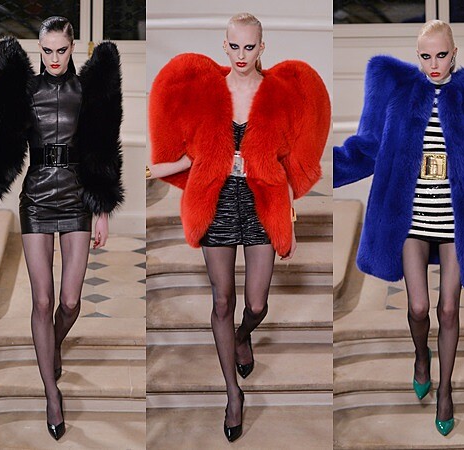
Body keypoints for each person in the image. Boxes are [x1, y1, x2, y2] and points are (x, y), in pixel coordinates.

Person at [148, 13, 330, 442]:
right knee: (221, 300)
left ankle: (243, 336)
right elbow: (192, 154)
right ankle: (233, 394)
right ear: (224, 45)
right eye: (235, 46)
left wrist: (289, 220)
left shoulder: (278, 93)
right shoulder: (208, 92)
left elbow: (288, 164)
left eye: (250, 46)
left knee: (258, 303)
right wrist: (158, 168)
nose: (242, 55)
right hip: (216, 202)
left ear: (262, 47)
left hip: (262, 200)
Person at [333, 20, 464, 436]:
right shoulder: (397, 90)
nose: (434, 64)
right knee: (418, 307)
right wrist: (319, 171)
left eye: (442, 55)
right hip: (410, 217)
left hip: (456, 219)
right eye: (426, 56)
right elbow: (366, 148)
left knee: (448, 309)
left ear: (455, 53)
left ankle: (446, 391)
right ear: (416, 56)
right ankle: (421, 357)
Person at [0, 16, 123, 440]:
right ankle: (52, 391)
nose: (53, 58)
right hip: (36, 201)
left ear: (73, 47)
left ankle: (53, 344)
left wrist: (102, 209)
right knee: (43, 299)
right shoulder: (26, 91)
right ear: (40, 50)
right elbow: (2, 144)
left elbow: (102, 148)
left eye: (61, 50)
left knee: (70, 301)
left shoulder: (87, 91)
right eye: (46, 51)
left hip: (77, 198)